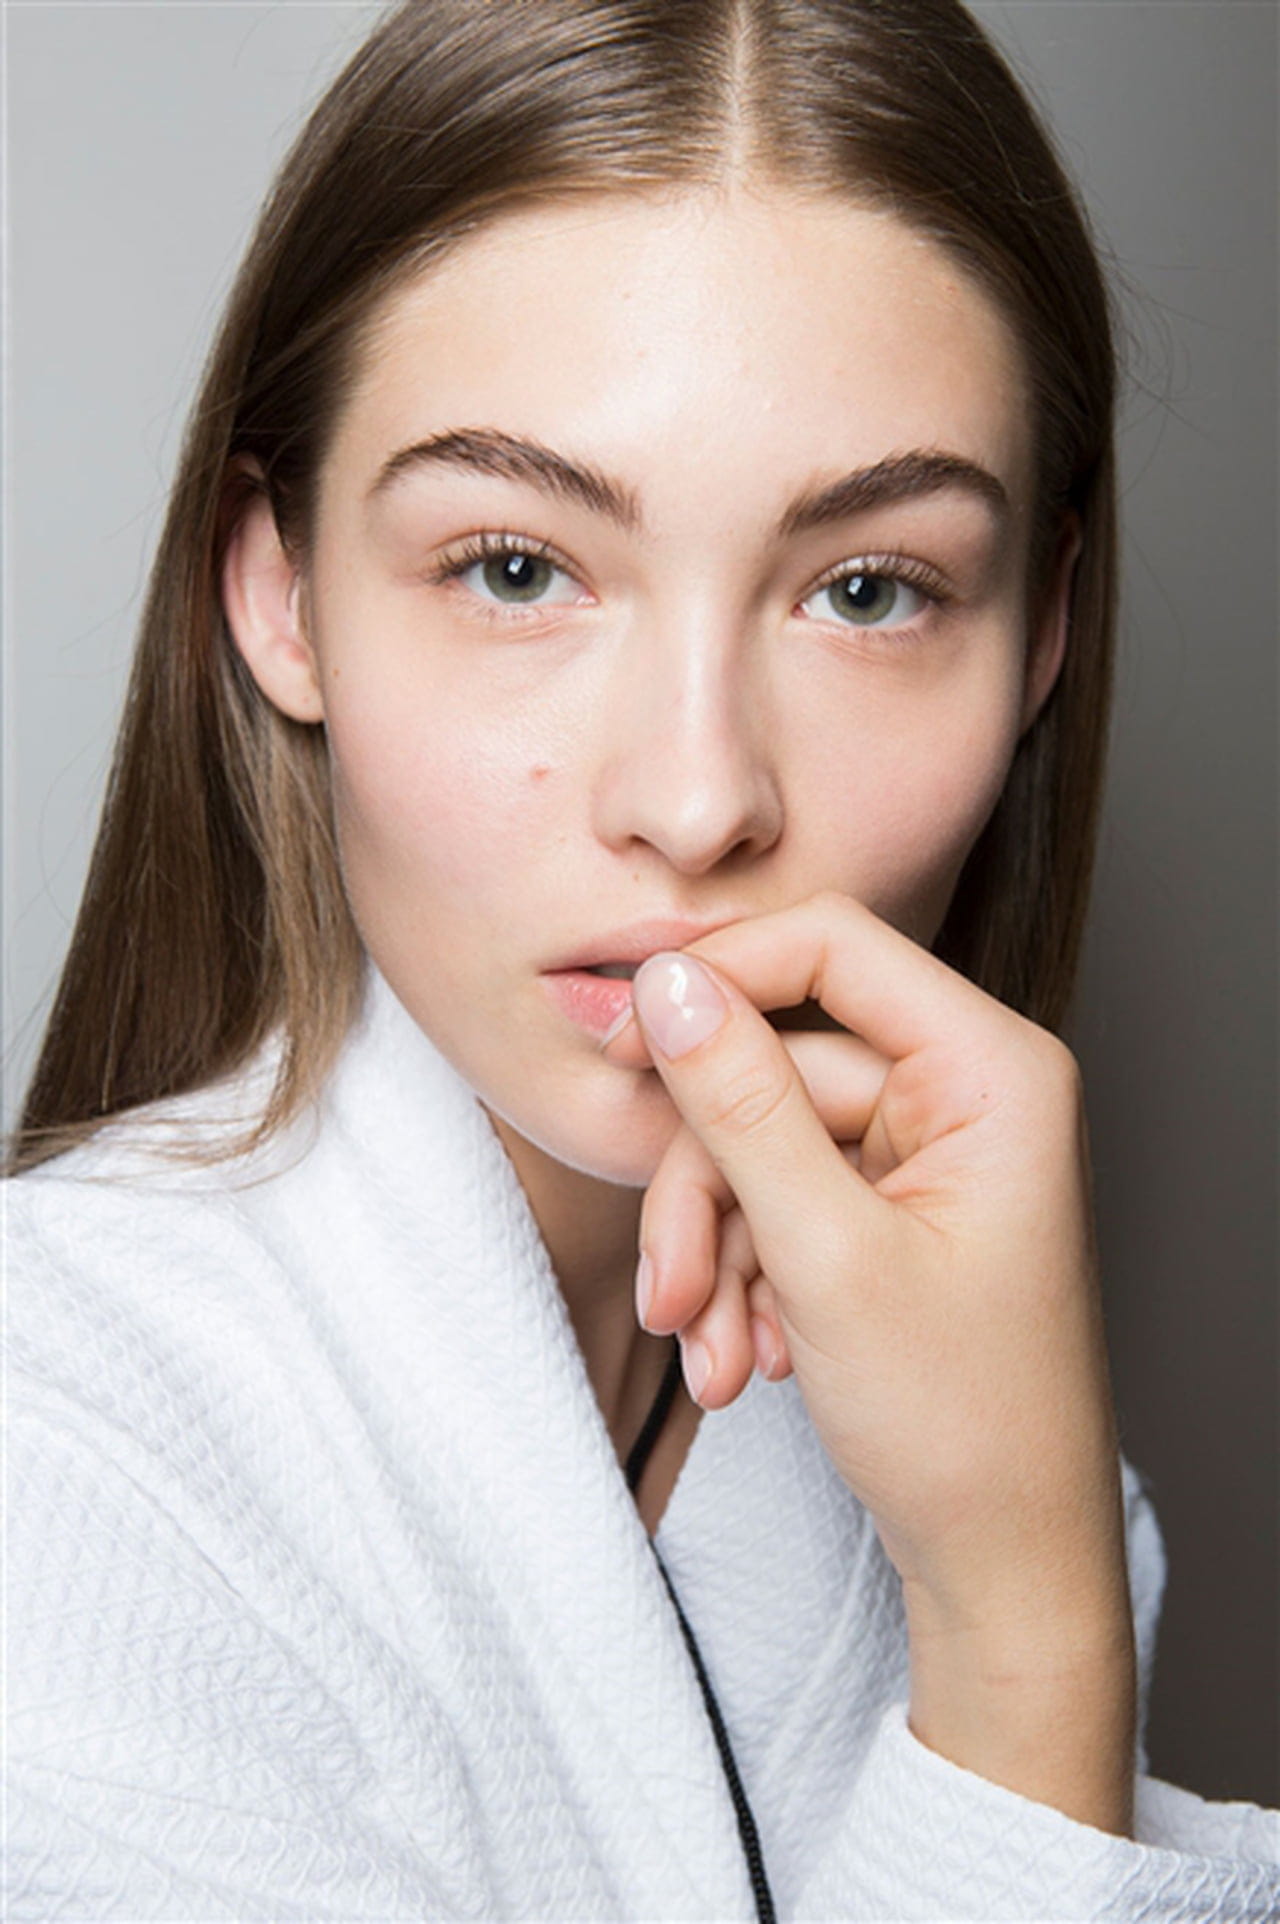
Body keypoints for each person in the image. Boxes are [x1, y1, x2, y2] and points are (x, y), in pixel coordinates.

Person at [6, 0, 1277, 1916]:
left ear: (1039, 642)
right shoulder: (51, 1466)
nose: (697, 801)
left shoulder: (996, 1467)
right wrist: (1024, 1648)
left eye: (868, 590)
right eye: (516, 569)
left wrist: (1024, 1579)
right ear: (281, 595)